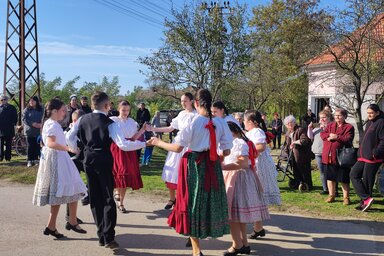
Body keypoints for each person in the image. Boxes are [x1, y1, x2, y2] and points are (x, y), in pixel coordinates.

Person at [148, 89, 233, 256]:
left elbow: (178, 147)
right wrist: (215, 154)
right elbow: (228, 151)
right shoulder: (221, 122)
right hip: (212, 164)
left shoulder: (192, 122)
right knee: (209, 202)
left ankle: (196, 250)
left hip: (194, 164)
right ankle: (198, 240)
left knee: (192, 203)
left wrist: (158, 142)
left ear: (196, 103)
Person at [66, 92, 147, 248]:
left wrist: (76, 149)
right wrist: (144, 144)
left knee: (95, 198)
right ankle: (108, 236)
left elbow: (70, 136)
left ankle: (100, 233)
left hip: (88, 160)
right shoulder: (110, 123)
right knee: (108, 198)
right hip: (103, 160)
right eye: (109, 104)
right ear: (106, 106)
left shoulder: (83, 118)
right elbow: (123, 145)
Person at [32, 98, 88, 239]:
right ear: (55, 111)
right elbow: (50, 143)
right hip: (57, 159)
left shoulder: (52, 124)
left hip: (59, 158)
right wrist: (68, 148)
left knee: (68, 190)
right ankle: (70, 222)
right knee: (67, 190)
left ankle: (60, 224)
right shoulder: (51, 124)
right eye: (63, 110)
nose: (65, 112)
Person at [222, 121, 270, 256]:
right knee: (238, 214)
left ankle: (237, 244)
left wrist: (224, 167)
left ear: (233, 131)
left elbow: (242, 163)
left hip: (238, 178)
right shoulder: (238, 141)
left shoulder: (238, 143)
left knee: (232, 214)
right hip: (238, 176)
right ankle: (244, 244)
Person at [146, 92, 197, 210]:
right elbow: (170, 128)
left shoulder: (196, 115)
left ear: (192, 101)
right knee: (172, 170)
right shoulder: (181, 114)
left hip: (188, 145)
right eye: (181, 101)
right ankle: (172, 198)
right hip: (177, 143)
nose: (183, 103)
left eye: (185, 101)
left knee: (184, 173)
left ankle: (182, 199)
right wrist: (153, 128)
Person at [244, 110, 281, 240]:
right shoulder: (251, 132)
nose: (243, 123)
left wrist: (247, 151)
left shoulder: (257, 131)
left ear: (251, 122)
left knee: (256, 197)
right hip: (255, 164)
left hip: (259, 166)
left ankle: (258, 227)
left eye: (245, 121)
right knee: (256, 198)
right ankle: (258, 227)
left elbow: (261, 147)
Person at [109, 101, 147, 213]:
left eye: (127, 110)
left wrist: (142, 129)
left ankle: (121, 203)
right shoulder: (113, 121)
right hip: (117, 149)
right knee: (119, 173)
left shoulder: (132, 122)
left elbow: (134, 138)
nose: (125, 112)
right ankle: (116, 191)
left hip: (129, 150)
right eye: (123, 110)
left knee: (126, 176)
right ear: (119, 109)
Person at [350, 104, 384, 211]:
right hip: (363, 156)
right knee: (354, 174)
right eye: (368, 112)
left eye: (371, 113)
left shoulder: (381, 122)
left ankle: (365, 203)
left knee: (367, 180)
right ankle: (366, 199)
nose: (369, 115)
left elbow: (383, 140)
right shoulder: (369, 122)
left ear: (377, 113)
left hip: (374, 157)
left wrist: (376, 152)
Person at [320, 108, 355, 205]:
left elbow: (348, 139)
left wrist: (337, 137)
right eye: (335, 115)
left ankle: (346, 197)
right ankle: (332, 195)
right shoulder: (330, 125)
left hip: (341, 157)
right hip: (328, 156)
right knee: (330, 177)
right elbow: (323, 134)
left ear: (344, 116)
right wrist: (329, 135)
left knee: (343, 178)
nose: (337, 117)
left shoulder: (349, 127)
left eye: (339, 115)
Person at [284, 115, 313, 190]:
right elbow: (286, 145)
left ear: (294, 122)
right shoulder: (287, 133)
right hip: (292, 155)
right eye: (287, 124)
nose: (289, 125)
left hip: (302, 154)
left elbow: (304, 140)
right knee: (295, 170)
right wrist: (285, 154)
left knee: (304, 171)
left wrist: (295, 142)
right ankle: (298, 183)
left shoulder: (300, 129)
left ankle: (307, 185)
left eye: (291, 123)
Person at [308, 110, 333, 195]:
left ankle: (333, 190)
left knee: (330, 171)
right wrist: (309, 128)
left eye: (324, 117)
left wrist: (325, 128)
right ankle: (325, 188)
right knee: (322, 171)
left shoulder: (332, 126)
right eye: (320, 118)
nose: (322, 119)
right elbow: (310, 136)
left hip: (328, 152)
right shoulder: (317, 127)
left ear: (329, 118)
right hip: (318, 152)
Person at [22, 96, 43, 167]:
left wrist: (41, 124)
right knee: (30, 146)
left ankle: (36, 160)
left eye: (33, 101)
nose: (31, 102)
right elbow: (24, 119)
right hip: (29, 132)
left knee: (37, 146)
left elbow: (44, 117)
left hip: (38, 131)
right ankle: (29, 160)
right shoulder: (26, 110)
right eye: (30, 101)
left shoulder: (41, 109)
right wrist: (33, 124)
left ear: (36, 102)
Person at [0, 95, 18, 161]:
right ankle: (0, 157)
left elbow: (15, 118)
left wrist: (13, 124)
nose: (3, 101)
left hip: (9, 129)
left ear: (7, 100)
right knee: (0, 145)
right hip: (0, 130)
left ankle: (8, 158)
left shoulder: (12, 107)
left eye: (4, 99)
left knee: (8, 145)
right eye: (1, 100)